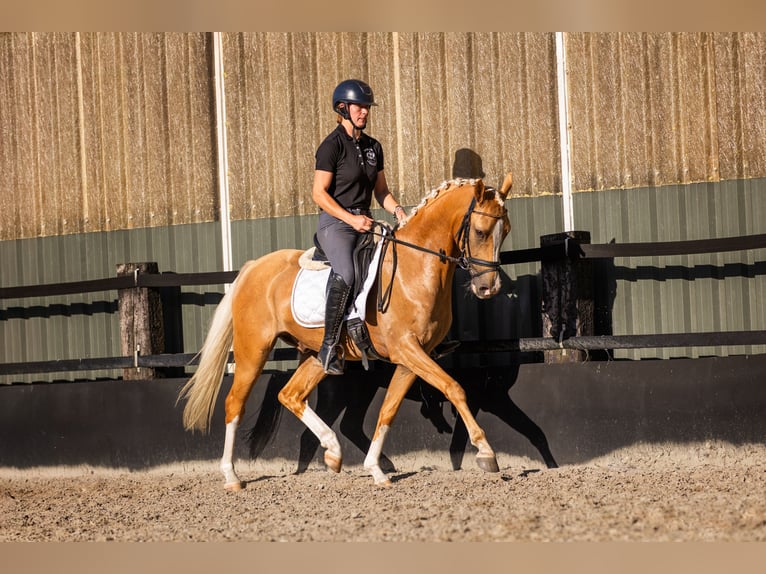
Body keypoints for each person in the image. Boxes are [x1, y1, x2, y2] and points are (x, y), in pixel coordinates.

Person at [312, 79, 407, 375]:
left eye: (367, 108)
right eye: (359, 107)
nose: (364, 112)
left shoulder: (373, 147)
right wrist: (350, 219)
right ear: (343, 108)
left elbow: (381, 192)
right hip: (336, 223)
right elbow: (318, 193)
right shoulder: (331, 146)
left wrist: (401, 212)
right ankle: (328, 347)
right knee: (348, 272)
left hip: (366, 220)